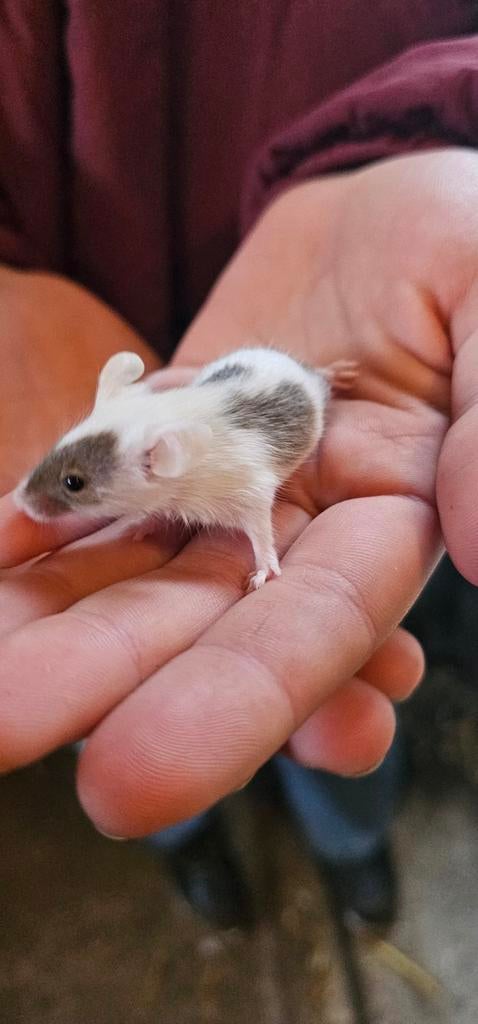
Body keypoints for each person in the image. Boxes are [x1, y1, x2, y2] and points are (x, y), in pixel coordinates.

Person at [0, 4, 478, 930]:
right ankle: (188, 836)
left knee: (332, 705)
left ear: (158, 461)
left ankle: (350, 851)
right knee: (124, 716)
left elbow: (257, 490)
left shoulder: (193, 467)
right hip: (102, 283)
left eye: (71, 488)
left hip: (285, 374)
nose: (51, 497)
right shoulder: (143, 449)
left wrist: (264, 562)